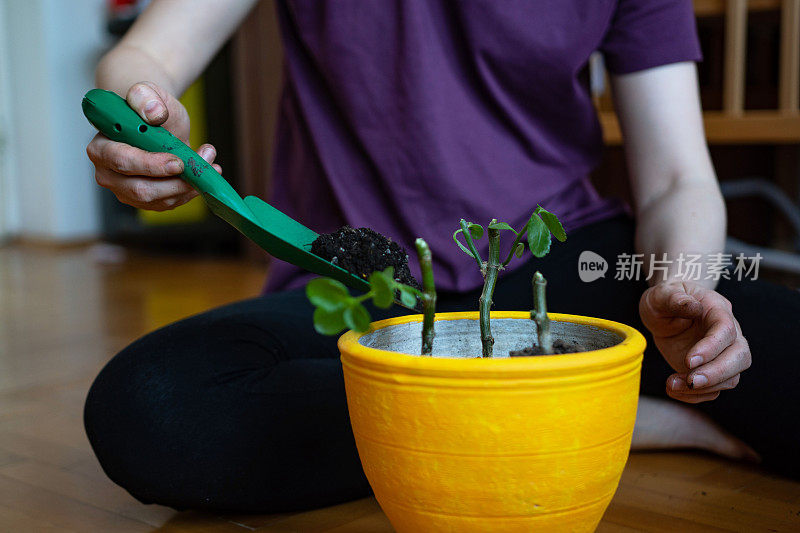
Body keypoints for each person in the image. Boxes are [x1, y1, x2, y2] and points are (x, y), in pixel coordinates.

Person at [84, 0, 800, 513]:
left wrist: (682, 291)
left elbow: (677, 177)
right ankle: (599, 412)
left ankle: (539, 408)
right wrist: (144, 110)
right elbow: (146, 54)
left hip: (561, 266)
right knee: (152, 407)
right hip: (360, 283)